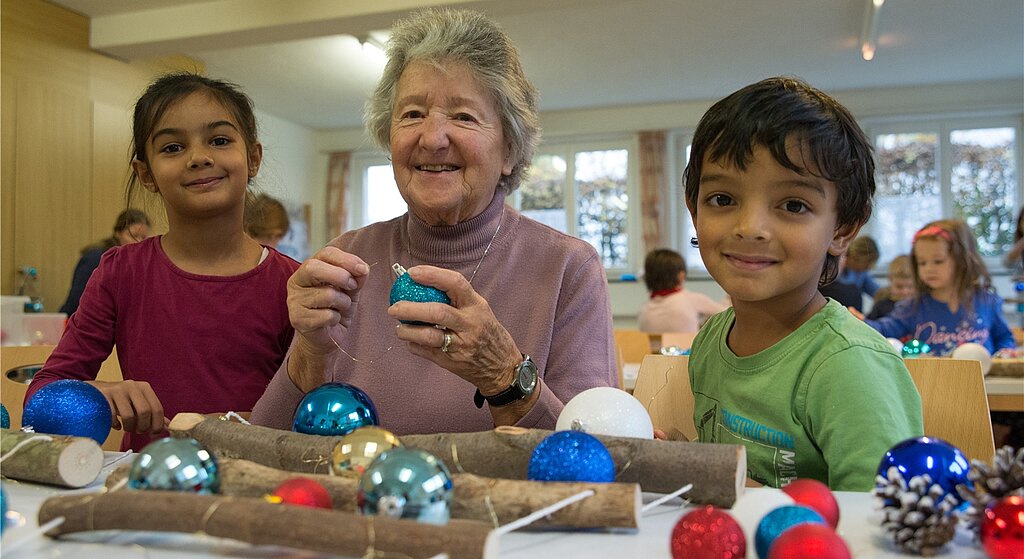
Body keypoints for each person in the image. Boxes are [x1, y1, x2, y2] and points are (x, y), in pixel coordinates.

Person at [250, 9, 616, 435]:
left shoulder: (568, 268)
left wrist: (503, 375)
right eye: (412, 114)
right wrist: (309, 353)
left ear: (511, 151)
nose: (432, 137)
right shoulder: (346, 259)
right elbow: (266, 443)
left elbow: (593, 460)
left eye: (462, 116)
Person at [26, 73, 300, 451]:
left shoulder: (291, 284)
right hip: (146, 489)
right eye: (172, 147)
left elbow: (308, 409)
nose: (199, 157)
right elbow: (41, 394)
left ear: (253, 158)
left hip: (256, 491)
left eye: (219, 140)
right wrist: (100, 394)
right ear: (146, 174)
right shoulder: (121, 272)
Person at [683, 77, 923, 491]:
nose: (750, 228)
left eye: (794, 205)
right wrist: (686, 463)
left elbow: (883, 523)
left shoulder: (849, 365)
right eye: (722, 199)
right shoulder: (710, 342)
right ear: (694, 209)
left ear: (843, 228)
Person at [863, 219, 1015, 357]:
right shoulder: (912, 307)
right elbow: (883, 330)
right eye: (922, 263)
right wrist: (857, 321)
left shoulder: (986, 301)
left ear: (961, 260)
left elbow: (1004, 337)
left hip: (982, 385)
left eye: (938, 261)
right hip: (933, 385)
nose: (928, 269)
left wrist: (1005, 351)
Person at [59, 209, 151, 315]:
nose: (139, 242)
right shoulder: (96, 258)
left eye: (144, 237)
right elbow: (77, 301)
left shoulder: (140, 263)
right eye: (133, 235)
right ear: (118, 233)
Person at [637, 248, 727, 333]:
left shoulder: (644, 311)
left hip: (650, 350)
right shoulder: (692, 299)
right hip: (686, 348)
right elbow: (727, 313)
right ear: (681, 276)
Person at [865, 255, 914, 320]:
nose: (905, 292)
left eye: (910, 287)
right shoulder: (881, 306)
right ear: (890, 280)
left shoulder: (922, 306)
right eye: (899, 287)